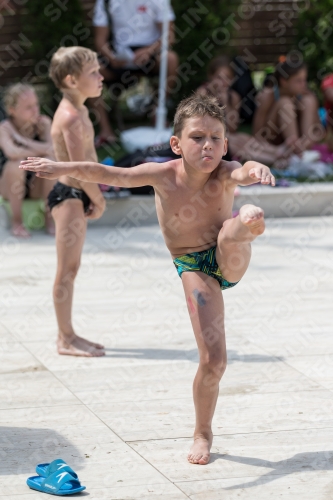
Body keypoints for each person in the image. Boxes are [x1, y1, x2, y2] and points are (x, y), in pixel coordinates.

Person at [20, 93, 275, 464]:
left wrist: (255, 171)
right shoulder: (162, 175)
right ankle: (202, 432)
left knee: (231, 231)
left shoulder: (225, 171)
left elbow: (244, 169)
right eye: (197, 137)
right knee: (214, 361)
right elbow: (111, 174)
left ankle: (249, 222)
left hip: (229, 252)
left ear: (225, 143)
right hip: (193, 265)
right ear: (176, 144)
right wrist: (62, 168)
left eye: (216, 138)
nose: (208, 145)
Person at [47, 46, 106, 357]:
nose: (101, 77)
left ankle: (68, 333)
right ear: (71, 80)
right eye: (93, 73)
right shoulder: (71, 117)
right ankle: (65, 338)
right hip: (70, 195)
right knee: (66, 269)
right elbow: (80, 168)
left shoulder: (80, 110)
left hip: (76, 194)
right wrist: (98, 199)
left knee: (73, 266)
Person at [92, 0, 178, 144]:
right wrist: (111, 58)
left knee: (171, 59)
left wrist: (148, 51)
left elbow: (169, 36)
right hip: (118, 55)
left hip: (151, 53)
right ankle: (106, 131)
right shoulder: (105, 2)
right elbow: (100, 41)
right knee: (90, 70)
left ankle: (157, 114)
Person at [197, 56, 289, 166]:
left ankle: (277, 151)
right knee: (234, 142)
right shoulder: (203, 93)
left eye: (227, 78)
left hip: (227, 135)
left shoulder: (234, 97)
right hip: (210, 137)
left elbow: (233, 127)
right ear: (211, 77)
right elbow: (200, 124)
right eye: (219, 78)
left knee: (243, 138)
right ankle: (275, 159)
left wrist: (226, 102)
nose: (223, 82)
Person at [0, 83, 55, 237]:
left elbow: (53, 151)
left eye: (36, 105)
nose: (35, 110)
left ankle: (49, 220)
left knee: (50, 161)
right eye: (28, 107)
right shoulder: (5, 127)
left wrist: (21, 140)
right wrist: (40, 149)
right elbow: (11, 153)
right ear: (12, 110)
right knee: (16, 164)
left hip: (34, 185)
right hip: (8, 186)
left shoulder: (43, 124)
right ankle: (17, 222)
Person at [253, 56, 324, 154]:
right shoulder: (268, 95)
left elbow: (319, 130)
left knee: (309, 100)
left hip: (302, 140)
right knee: (285, 103)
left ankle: (301, 148)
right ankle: (293, 147)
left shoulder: (305, 94)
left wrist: (310, 140)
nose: (304, 85)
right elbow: (257, 134)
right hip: (273, 139)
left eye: (304, 80)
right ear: (284, 81)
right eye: (299, 81)